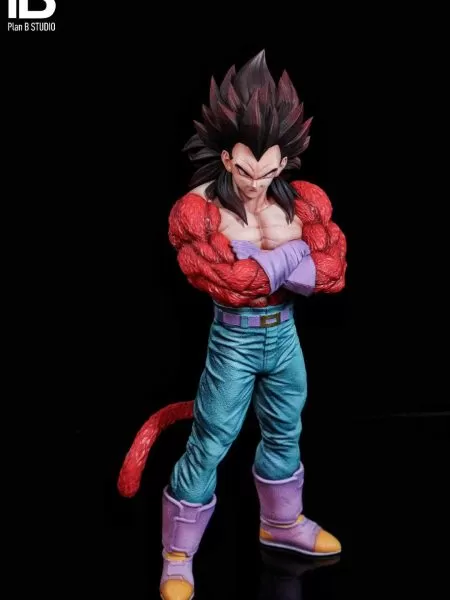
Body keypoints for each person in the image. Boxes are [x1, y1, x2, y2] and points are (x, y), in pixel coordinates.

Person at [118, 49, 347, 600]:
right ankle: (178, 555)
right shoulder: (198, 209)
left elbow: (333, 272)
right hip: (235, 341)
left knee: (286, 427)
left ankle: (281, 523)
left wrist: (269, 265)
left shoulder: (304, 202)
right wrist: (293, 260)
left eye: (268, 172)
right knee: (212, 439)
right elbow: (229, 283)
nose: (255, 184)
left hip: (284, 336)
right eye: (244, 170)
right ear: (225, 157)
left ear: (283, 161)